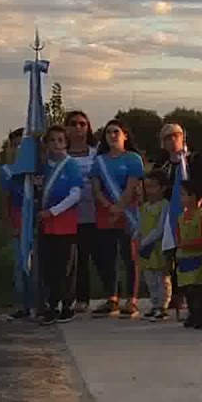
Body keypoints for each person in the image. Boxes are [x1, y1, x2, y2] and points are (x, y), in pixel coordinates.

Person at [91, 119, 144, 318]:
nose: (112, 136)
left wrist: (119, 208)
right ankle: (111, 297)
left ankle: (132, 299)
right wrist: (109, 207)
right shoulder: (99, 161)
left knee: (130, 257)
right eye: (108, 132)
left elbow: (132, 187)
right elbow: (96, 189)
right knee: (108, 257)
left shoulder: (133, 159)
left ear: (125, 135)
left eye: (116, 132)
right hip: (105, 214)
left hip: (128, 214)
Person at [36, 124, 84, 325]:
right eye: (52, 140)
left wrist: (53, 211)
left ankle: (67, 304)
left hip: (65, 223)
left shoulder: (71, 165)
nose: (56, 144)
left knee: (66, 266)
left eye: (60, 140)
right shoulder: (42, 166)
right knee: (49, 266)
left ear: (66, 143)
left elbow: (75, 194)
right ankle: (51, 304)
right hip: (45, 224)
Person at [64, 111, 100, 313]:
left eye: (82, 124)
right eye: (73, 123)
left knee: (91, 257)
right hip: (67, 214)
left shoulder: (96, 153)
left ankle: (90, 296)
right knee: (70, 259)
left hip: (94, 212)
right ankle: (68, 297)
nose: (78, 127)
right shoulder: (61, 155)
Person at [157, 122, 191, 318]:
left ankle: (187, 296)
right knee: (170, 257)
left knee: (186, 255)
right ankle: (173, 296)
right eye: (167, 137)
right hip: (167, 215)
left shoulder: (191, 161)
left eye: (175, 135)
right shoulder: (162, 165)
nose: (172, 140)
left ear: (182, 137)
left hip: (188, 213)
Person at [0, 128, 33, 320]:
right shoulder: (7, 171)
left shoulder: (36, 168)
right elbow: (6, 200)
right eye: (15, 145)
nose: (19, 148)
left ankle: (40, 301)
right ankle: (22, 303)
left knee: (37, 264)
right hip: (18, 219)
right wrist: (9, 224)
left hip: (36, 220)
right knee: (21, 264)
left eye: (23, 144)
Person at [175, 177, 202, 329]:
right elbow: (178, 236)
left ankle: (201, 314)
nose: (182, 198)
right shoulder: (180, 217)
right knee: (187, 288)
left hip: (199, 258)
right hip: (184, 258)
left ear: (194, 196)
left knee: (198, 288)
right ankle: (192, 313)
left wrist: (188, 244)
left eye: (184, 194)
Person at [137, 170, 171, 320]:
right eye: (147, 187)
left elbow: (160, 228)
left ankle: (163, 305)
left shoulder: (164, 205)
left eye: (153, 186)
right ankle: (155, 304)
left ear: (162, 188)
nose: (150, 190)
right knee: (149, 278)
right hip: (146, 250)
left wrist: (146, 241)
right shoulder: (145, 206)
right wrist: (137, 235)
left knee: (161, 278)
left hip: (158, 247)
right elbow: (140, 224)